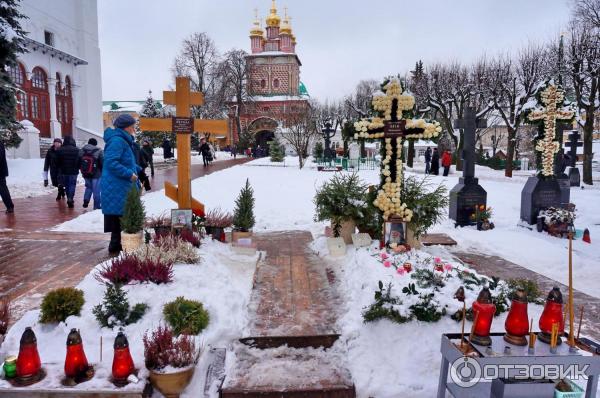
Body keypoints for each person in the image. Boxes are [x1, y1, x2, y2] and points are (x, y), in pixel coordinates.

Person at [101, 114, 140, 254]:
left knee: (121, 216)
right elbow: (111, 162)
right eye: (132, 127)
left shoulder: (122, 140)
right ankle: (116, 248)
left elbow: (124, 161)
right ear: (126, 127)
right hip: (117, 185)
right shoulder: (117, 141)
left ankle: (119, 246)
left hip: (119, 184)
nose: (134, 129)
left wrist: (138, 170)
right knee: (120, 216)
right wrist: (129, 174)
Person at [56, 136, 80, 208]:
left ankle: (68, 197)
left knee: (67, 185)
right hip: (74, 171)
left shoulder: (60, 150)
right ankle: (70, 198)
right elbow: (79, 160)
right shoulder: (77, 150)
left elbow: (57, 161)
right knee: (72, 185)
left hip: (64, 171)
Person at [80, 138, 103, 209]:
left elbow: (78, 161)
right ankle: (97, 206)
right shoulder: (99, 151)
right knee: (96, 190)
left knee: (88, 187)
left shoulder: (82, 150)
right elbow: (102, 162)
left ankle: (86, 200)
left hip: (85, 173)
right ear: (95, 144)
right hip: (96, 174)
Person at [0, 141, 14, 214]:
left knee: (3, 190)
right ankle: (10, 206)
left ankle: (10, 206)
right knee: (3, 190)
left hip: (0, 172)